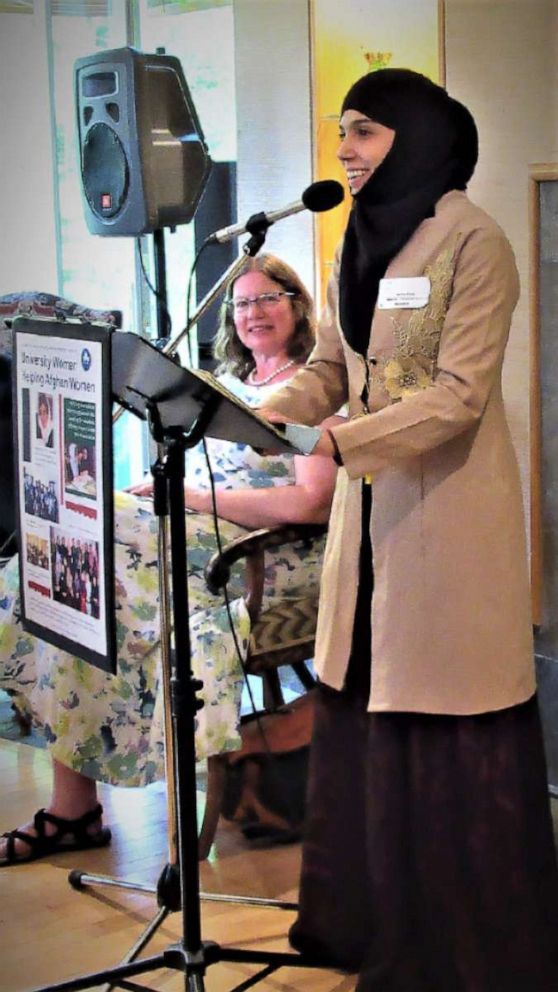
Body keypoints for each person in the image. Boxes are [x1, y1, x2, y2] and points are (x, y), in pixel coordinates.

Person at [258, 69, 558, 991]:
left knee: (444, 718)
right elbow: (333, 365)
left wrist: (346, 442)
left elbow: (460, 398)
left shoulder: (478, 240)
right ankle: (372, 923)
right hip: (372, 524)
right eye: (343, 134)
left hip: (449, 519)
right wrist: (265, 408)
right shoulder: (358, 237)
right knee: (371, 703)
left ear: (421, 137)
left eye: (366, 134)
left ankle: (460, 952)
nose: (346, 151)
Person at [0, 253, 339, 866]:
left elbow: (313, 503)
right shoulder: (223, 388)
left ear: (297, 305)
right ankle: (73, 806)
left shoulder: (317, 386)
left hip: (268, 556)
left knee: (97, 583)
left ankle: (86, 802)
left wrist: (189, 497)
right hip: (197, 536)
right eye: (240, 304)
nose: (252, 313)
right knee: (74, 572)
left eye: (267, 298)